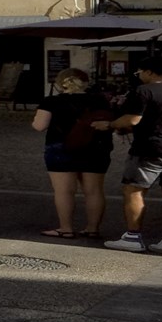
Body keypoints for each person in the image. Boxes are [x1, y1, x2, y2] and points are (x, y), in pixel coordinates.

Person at [103, 57, 162, 255]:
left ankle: (133, 236)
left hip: (151, 147)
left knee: (134, 190)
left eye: (140, 72)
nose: (139, 76)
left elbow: (132, 119)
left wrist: (110, 125)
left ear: (150, 72)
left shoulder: (145, 91)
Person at [28, 69, 114, 238]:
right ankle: (92, 228)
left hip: (61, 147)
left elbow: (39, 126)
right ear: (86, 82)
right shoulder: (99, 100)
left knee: (64, 191)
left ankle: (66, 228)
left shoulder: (51, 101)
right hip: (95, 148)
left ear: (60, 84)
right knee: (94, 191)